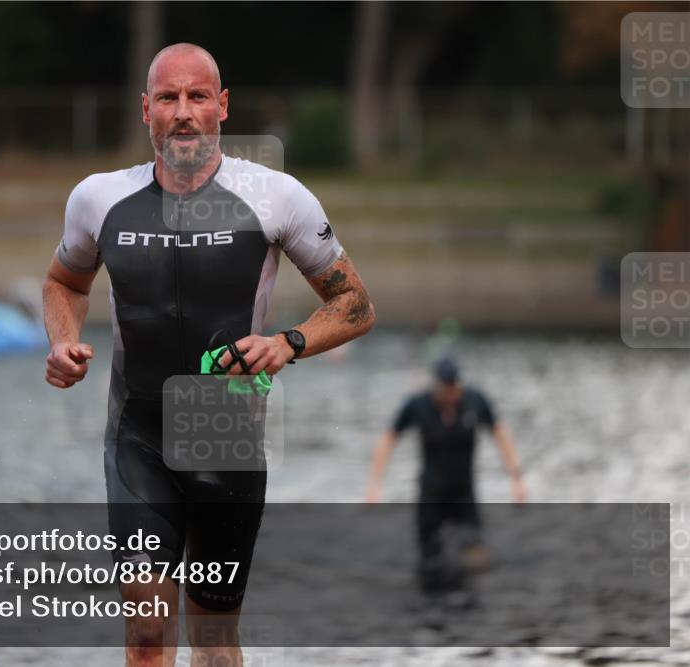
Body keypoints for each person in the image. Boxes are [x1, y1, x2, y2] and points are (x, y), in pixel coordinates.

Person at [43, 43, 375, 667]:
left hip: (226, 440)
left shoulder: (276, 197)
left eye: (197, 96)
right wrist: (62, 341)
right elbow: (64, 283)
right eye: (168, 98)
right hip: (137, 436)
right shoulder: (98, 198)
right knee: (146, 630)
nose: (183, 112)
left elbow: (355, 304)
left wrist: (287, 343)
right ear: (146, 109)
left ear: (222, 106)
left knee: (215, 642)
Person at [365, 357, 526, 589]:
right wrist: (375, 483)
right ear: (436, 385)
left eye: (455, 387)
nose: (452, 394)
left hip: (464, 493)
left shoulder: (475, 400)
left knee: (476, 558)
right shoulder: (418, 404)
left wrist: (517, 478)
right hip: (431, 493)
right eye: (446, 388)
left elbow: (500, 433)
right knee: (430, 560)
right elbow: (388, 438)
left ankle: (469, 599)